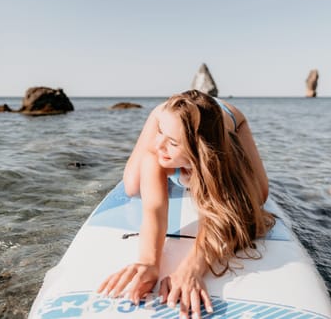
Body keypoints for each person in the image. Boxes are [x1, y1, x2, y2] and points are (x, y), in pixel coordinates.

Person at [98, 90, 274, 319]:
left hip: (227, 117)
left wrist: (192, 267)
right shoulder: (157, 146)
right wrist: (148, 263)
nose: (158, 145)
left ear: (199, 153)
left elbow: (229, 215)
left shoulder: (225, 156)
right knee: (132, 186)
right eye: (160, 133)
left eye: (171, 143)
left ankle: (177, 140)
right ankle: (166, 127)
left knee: (259, 196)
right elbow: (154, 210)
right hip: (172, 115)